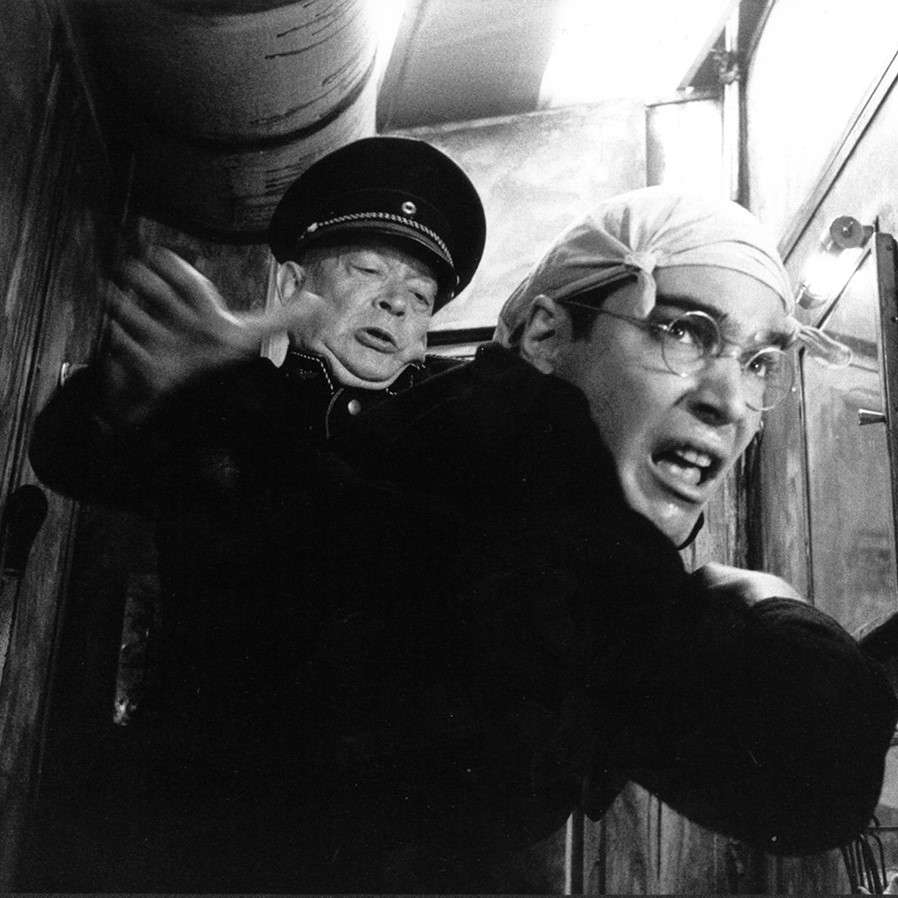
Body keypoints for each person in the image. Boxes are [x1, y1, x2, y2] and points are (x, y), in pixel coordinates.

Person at [27, 183, 898, 893]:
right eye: (683, 329)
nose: (733, 402)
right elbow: (815, 776)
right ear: (545, 334)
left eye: (761, 363)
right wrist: (771, 602)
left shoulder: (453, 439)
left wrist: (207, 401)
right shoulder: (521, 489)